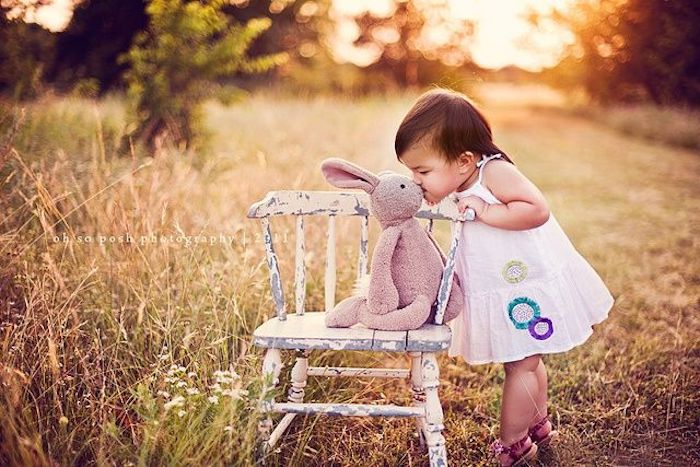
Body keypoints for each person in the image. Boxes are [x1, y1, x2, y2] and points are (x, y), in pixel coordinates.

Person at [394, 88, 614, 466]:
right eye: (410, 171)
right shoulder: (459, 179)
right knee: (526, 360)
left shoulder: (494, 172)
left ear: (463, 161)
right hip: (504, 286)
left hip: (525, 285)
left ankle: (515, 444)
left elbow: (537, 209)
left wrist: (485, 211)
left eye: (422, 171)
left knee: (522, 362)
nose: (415, 180)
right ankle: (538, 423)